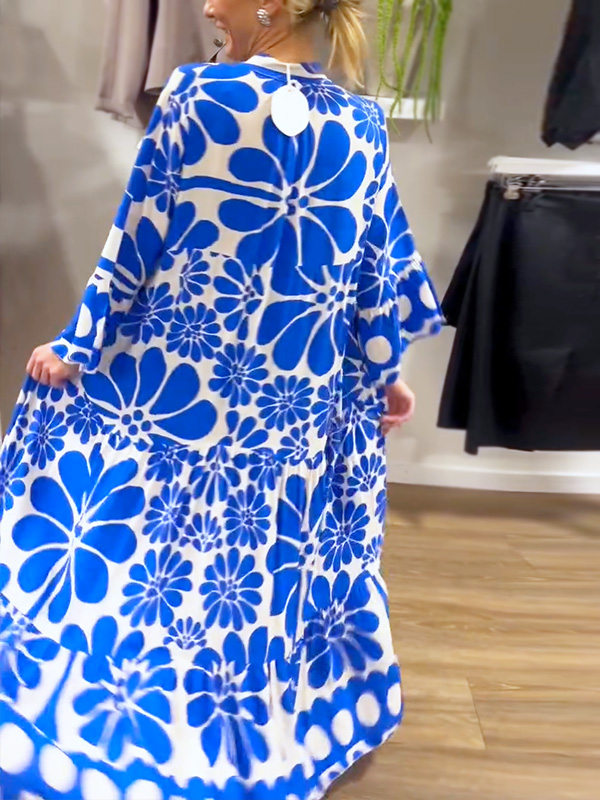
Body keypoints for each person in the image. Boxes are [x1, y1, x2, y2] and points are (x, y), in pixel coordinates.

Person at [0, 0, 442, 797]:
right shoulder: (364, 124)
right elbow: (374, 269)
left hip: (180, 391)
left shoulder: (197, 94)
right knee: (257, 571)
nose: (207, 6)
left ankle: (126, 719)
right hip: (291, 412)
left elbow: (136, 238)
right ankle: (255, 724)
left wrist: (78, 343)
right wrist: (385, 373)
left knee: (151, 548)